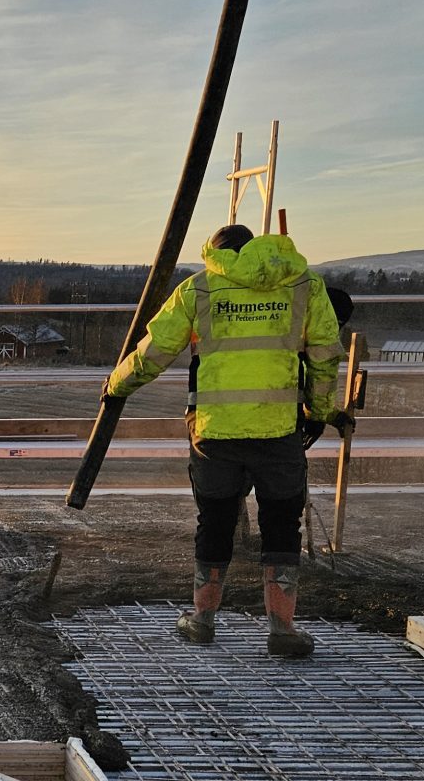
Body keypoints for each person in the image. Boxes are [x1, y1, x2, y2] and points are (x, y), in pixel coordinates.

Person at [102, 224, 352, 657]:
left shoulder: (198, 289)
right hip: (278, 432)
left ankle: (201, 621)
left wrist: (116, 384)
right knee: (281, 525)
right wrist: (321, 411)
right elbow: (325, 357)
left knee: (214, 522)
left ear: (214, 253)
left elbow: (153, 352)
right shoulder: (303, 284)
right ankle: (283, 630)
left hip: (215, 434)